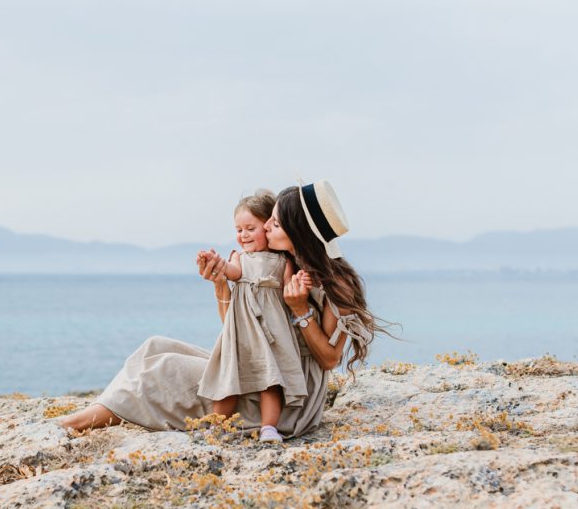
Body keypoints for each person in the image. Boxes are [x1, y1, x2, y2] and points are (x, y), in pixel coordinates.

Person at [61, 181, 392, 440]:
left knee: (163, 370)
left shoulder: (333, 281)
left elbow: (330, 359)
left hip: (288, 394)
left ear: (297, 230)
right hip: (262, 364)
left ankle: (78, 423)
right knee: (156, 346)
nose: (264, 230)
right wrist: (222, 286)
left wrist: (301, 310)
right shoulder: (283, 264)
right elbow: (243, 330)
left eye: (274, 224)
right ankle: (99, 411)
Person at [195, 191, 306, 443]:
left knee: (271, 380)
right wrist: (216, 263)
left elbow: (290, 290)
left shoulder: (282, 261)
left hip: (272, 331)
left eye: (250, 228)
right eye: (238, 229)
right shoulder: (239, 258)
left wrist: (300, 282)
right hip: (243, 329)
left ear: (267, 227)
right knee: (228, 377)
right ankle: (217, 426)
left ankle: (269, 427)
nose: (243, 235)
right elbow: (232, 272)